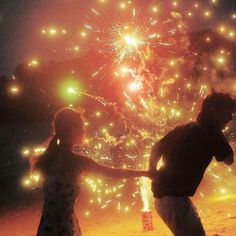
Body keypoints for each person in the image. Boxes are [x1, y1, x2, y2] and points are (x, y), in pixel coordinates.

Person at [32, 108, 150, 236]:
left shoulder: (48, 159)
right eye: (81, 127)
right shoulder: (75, 162)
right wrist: (145, 173)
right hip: (63, 226)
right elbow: (114, 173)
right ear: (72, 129)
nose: (84, 131)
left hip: (47, 225)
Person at [149, 92, 235, 236]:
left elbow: (157, 147)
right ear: (215, 111)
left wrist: (152, 169)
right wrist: (221, 140)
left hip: (166, 200)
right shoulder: (212, 132)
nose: (231, 117)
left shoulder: (183, 128)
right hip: (174, 202)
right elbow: (229, 160)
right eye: (228, 112)